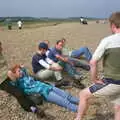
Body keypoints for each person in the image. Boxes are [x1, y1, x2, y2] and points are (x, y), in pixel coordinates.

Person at [75, 12, 120, 120]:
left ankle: (78, 119)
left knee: (83, 95)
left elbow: (93, 62)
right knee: (118, 106)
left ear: (113, 25)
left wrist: (94, 79)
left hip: (114, 82)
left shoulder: (108, 41)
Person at [7, 64, 79, 112]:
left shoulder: (25, 75)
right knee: (65, 102)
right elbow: (10, 75)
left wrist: (20, 68)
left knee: (66, 95)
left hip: (47, 86)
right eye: (19, 71)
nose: (21, 72)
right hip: (44, 93)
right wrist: (12, 73)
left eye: (21, 71)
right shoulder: (18, 83)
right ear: (14, 74)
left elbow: (24, 69)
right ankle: (80, 109)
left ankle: (81, 101)